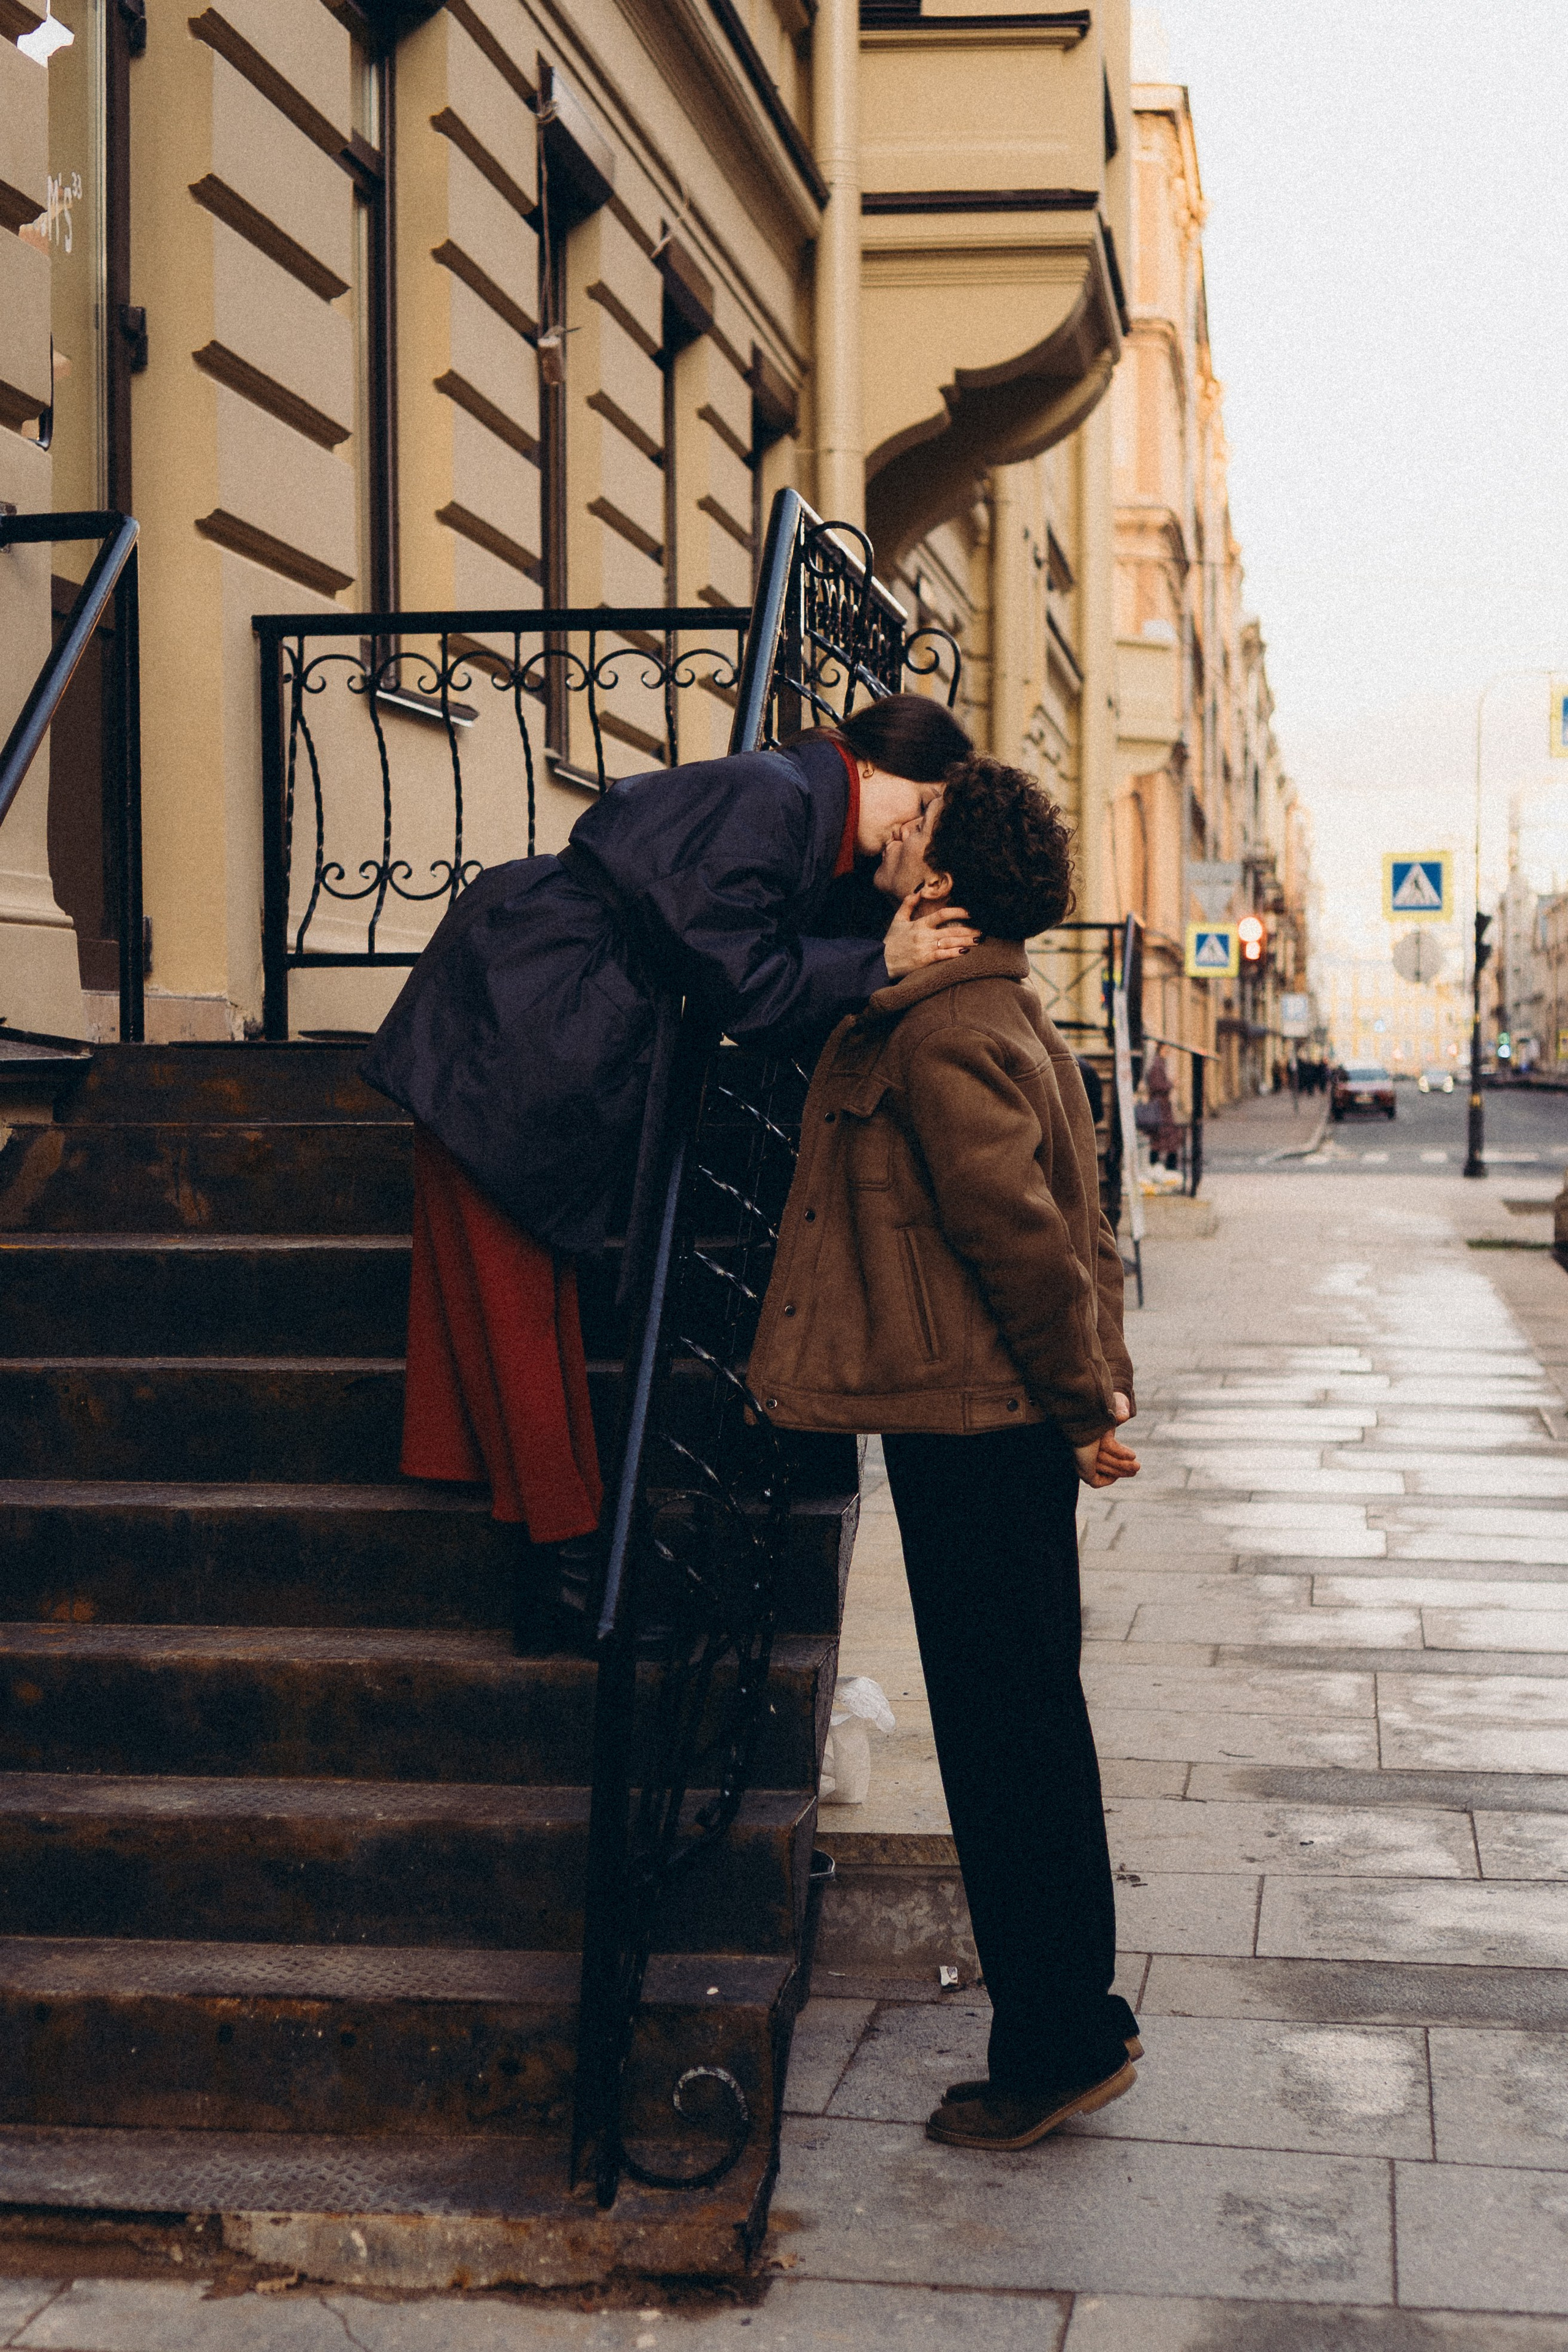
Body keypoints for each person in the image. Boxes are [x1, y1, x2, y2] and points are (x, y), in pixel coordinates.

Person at [361, 697, 977, 1618]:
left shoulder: (794, 806)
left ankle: (562, 1560)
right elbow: (749, 984)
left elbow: (753, 937)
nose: (914, 829)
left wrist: (889, 916)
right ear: (874, 766)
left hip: (533, 1000)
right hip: (526, 1010)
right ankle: (565, 1573)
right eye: (921, 804)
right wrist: (879, 958)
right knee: (512, 1302)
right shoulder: (774, 800)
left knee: (514, 1298)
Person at [748, 756, 1142, 2152]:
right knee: (1029, 1717)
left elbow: (1028, 1240)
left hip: (976, 1428)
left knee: (1004, 1736)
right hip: (985, 1421)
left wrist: (1085, 1404)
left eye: (910, 832)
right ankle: (1076, 2017)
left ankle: (1051, 2041)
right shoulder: (987, 1010)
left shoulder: (940, 1033)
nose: (886, 844)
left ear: (950, 881)